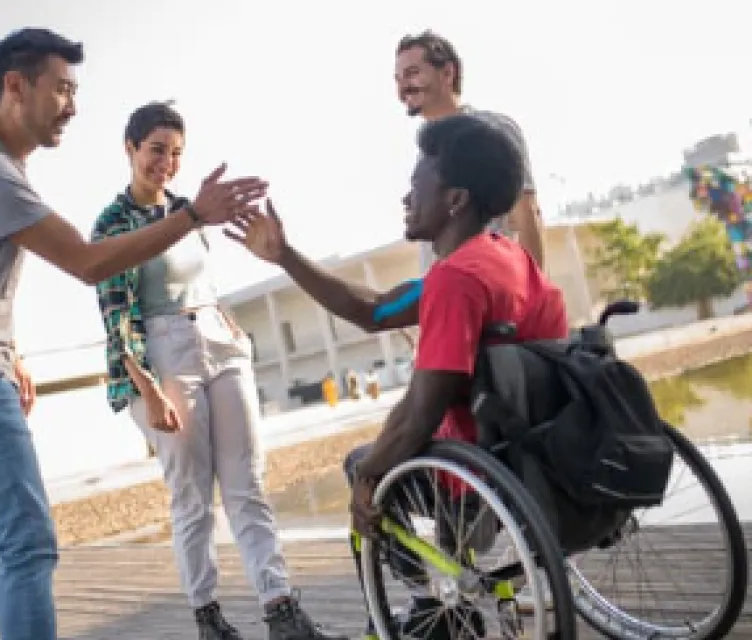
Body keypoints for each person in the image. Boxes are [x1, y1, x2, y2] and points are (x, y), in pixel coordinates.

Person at [0, 30, 268, 640]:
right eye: (63, 89)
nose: (73, 105)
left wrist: (11, 348)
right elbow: (89, 262)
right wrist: (193, 215)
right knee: (28, 548)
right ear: (16, 87)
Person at [226, 114, 568, 639]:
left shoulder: (455, 280)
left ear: (455, 199)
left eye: (416, 185)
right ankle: (438, 594)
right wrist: (285, 256)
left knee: (363, 465)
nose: (406, 197)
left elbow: (421, 412)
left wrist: (368, 479)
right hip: (535, 453)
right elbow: (376, 309)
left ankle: (425, 603)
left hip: (480, 470)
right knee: (382, 457)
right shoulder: (506, 256)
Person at [91, 101, 346, 640]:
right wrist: (149, 389)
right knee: (191, 497)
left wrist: (228, 324)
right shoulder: (113, 223)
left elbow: (200, 283)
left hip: (221, 342)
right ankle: (209, 619)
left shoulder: (189, 210)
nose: (167, 162)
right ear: (130, 148)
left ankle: (281, 611)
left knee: (246, 484)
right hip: (162, 352)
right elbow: (117, 316)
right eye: (157, 149)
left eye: (177, 153)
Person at [395, 30, 546, 274]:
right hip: (452, 294)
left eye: (412, 74)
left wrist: (533, 295)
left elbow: (526, 213)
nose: (403, 88)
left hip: (491, 289)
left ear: (447, 73)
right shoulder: (427, 152)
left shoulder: (492, 131)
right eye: (398, 79)